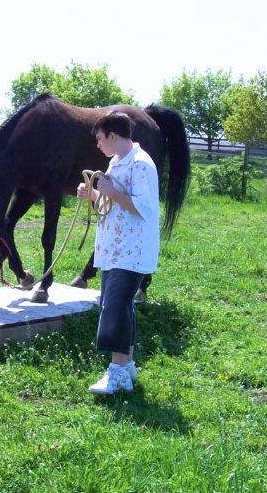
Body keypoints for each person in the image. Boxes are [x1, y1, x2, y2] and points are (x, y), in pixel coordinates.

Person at [77, 111, 160, 395]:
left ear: (113, 136)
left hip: (132, 251)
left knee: (114, 307)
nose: (98, 145)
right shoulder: (116, 162)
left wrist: (110, 192)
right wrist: (94, 196)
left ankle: (117, 374)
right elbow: (113, 202)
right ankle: (127, 366)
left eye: (100, 139)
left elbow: (142, 207)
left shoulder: (141, 165)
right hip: (114, 249)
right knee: (119, 306)